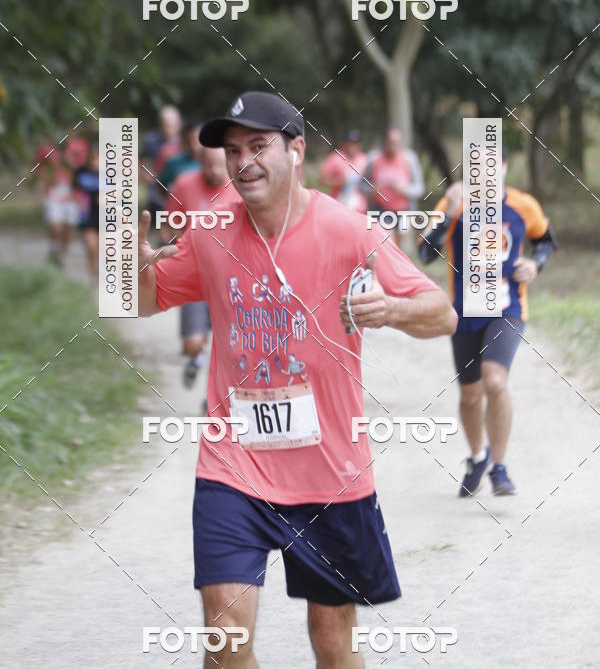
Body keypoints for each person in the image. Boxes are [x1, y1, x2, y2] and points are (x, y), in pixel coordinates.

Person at [137, 90, 457, 667]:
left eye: (259, 146)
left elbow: (442, 312)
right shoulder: (210, 231)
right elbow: (146, 299)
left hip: (329, 473)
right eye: (233, 151)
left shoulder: (349, 231)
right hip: (233, 464)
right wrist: (126, 265)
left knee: (332, 638)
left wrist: (392, 309)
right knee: (225, 639)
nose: (243, 162)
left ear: (297, 150)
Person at [418, 150, 557, 497]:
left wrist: (535, 265)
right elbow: (424, 253)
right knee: (469, 395)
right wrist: (448, 209)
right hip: (464, 313)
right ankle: (477, 458)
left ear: (506, 168)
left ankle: (499, 466)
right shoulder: (456, 205)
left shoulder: (524, 205)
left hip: (508, 309)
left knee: (495, 381)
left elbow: (546, 239)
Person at [162, 146, 240, 388]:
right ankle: (197, 356)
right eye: (209, 165)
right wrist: (177, 246)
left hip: (229, 277)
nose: (215, 170)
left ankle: (213, 396)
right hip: (193, 273)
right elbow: (169, 222)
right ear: (200, 162)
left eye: (220, 164)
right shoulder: (185, 184)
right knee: (192, 343)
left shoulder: (239, 187)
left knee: (227, 343)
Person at [361, 127, 425, 246]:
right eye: (390, 141)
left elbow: (419, 188)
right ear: (385, 141)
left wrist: (404, 190)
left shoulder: (410, 159)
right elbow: (361, 185)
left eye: (395, 142)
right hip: (381, 209)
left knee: (397, 246)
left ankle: (392, 263)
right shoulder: (373, 158)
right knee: (388, 241)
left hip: (405, 210)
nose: (393, 145)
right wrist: (373, 189)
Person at [37, 140, 81, 266]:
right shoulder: (46, 150)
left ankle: (63, 255)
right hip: (53, 193)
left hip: (71, 194)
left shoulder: (75, 150)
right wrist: (48, 177)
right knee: (55, 226)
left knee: (68, 228)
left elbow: (81, 169)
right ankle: (53, 249)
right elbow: (39, 168)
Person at [141, 104, 182, 224]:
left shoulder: (186, 141)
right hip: (157, 195)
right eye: (165, 124)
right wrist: (147, 174)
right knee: (159, 227)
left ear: (178, 123)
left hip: (179, 193)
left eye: (171, 124)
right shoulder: (151, 140)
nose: (168, 128)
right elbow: (141, 160)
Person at [319, 130, 367, 212]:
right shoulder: (334, 158)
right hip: (339, 205)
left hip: (359, 207)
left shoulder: (363, 158)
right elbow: (322, 180)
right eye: (349, 143)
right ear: (344, 143)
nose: (352, 146)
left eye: (355, 143)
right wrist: (340, 182)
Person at [74, 146, 100, 281]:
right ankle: (93, 276)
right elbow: (76, 192)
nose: (97, 163)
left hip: (108, 218)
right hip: (89, 216)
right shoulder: (82, 174)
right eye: (94, 159)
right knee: (92, 247)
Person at [158, 118, 203, 192]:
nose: (192, 146)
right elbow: (160, 185)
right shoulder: (173, 163)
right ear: (183, 141)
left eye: (196, 140)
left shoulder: (212, 161)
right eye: (188, 141)